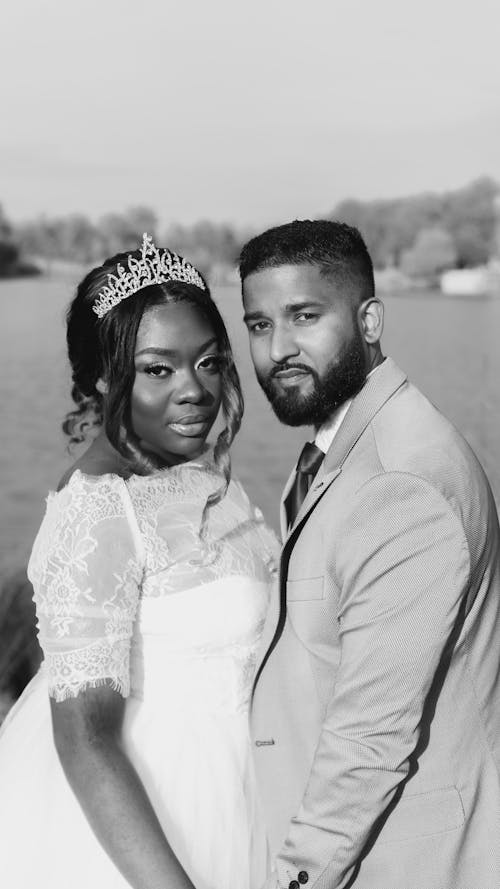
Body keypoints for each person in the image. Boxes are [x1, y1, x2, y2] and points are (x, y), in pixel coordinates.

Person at [0, 234, 278, 889]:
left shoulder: (202, 474)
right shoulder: (98, 510)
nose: (194, 391)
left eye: (208, 363)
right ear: (103, 374)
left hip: (251, 797)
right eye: (159, 369)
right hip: (158, 831)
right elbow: (86, 740)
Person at [240, 220, 500, 889]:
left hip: (402, 861)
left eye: (304, 316)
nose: (279, 348)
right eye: (259, 324)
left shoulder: (400, 484)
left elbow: (369, 742)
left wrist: (292, 878)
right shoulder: (349, 446)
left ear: (370, 318)